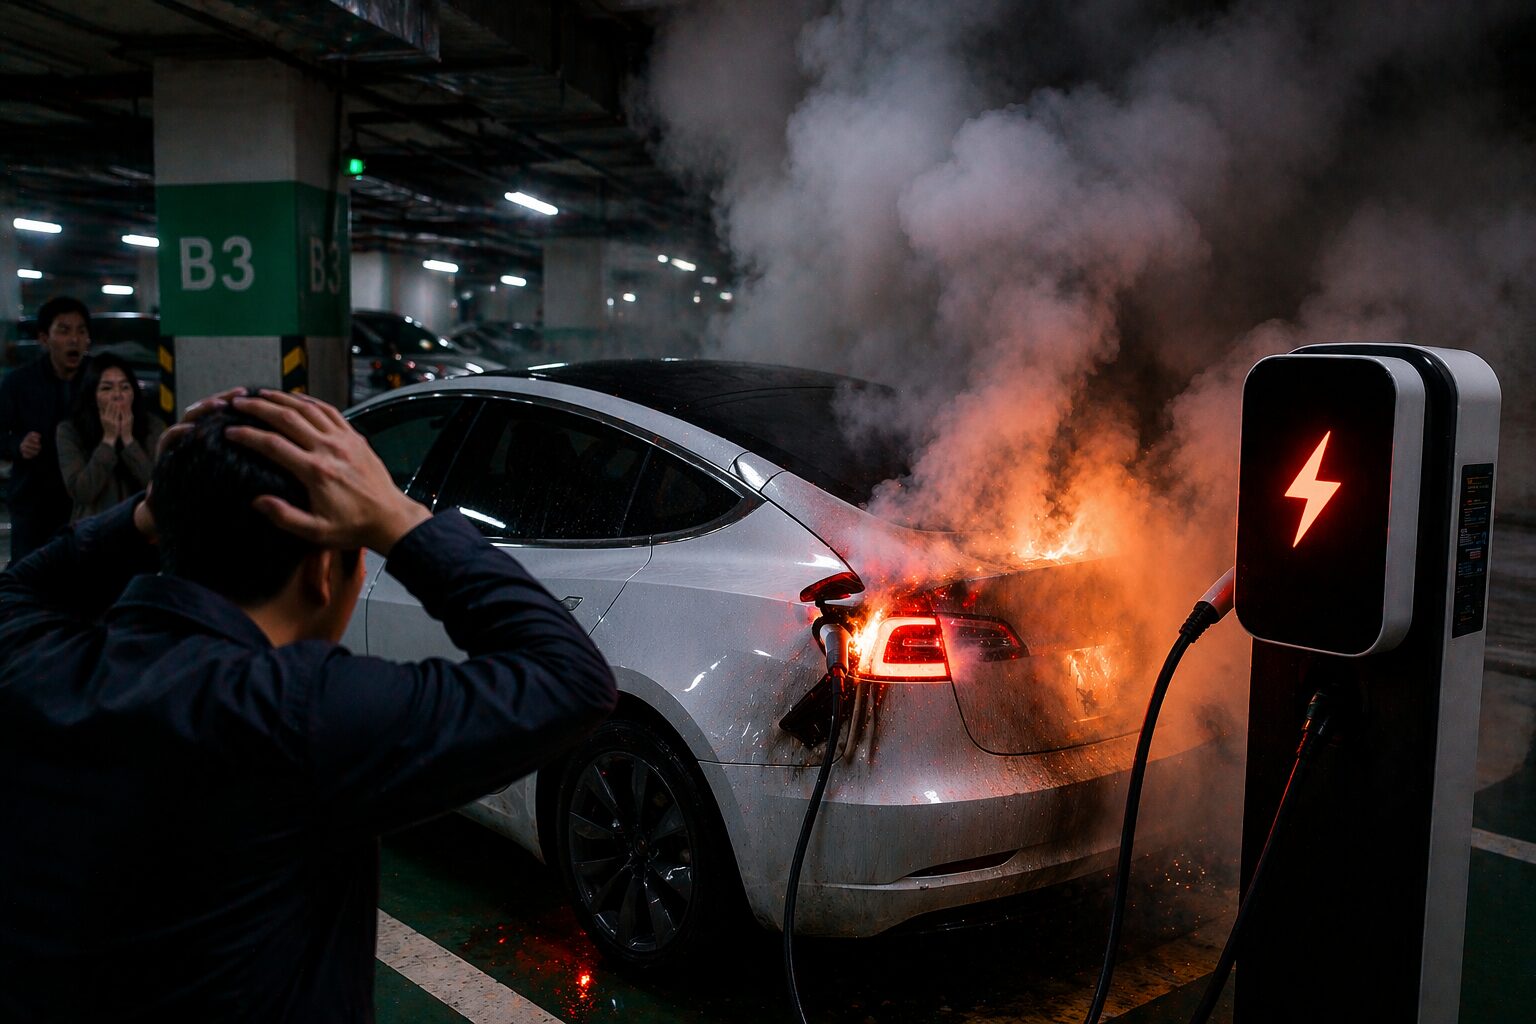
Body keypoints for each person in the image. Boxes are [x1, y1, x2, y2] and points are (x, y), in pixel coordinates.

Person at [0, 387, 618, 1022]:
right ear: (325, 569)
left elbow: (22, 586)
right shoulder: (299, 714)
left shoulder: (31, 663)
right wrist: (395, 519)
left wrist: (165, 504)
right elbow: (570, 678)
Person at [0, 295, 91, 561]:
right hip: (34, 501)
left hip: (85, 500)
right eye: (64, 331)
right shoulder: (19, 383)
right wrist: (18, 445)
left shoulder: (99, 380)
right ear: (44, 339)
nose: (74, 339)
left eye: (81, 331)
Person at [56, 352, 166, 522]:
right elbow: (82, 492)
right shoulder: (70, 431)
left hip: (141, 529)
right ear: (92, 395)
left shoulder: (153, 426)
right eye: (107, 388)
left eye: (124, 387)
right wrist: (108, 440)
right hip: (94, 531)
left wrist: (129, 441)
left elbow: (158, 487)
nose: (118, 395)